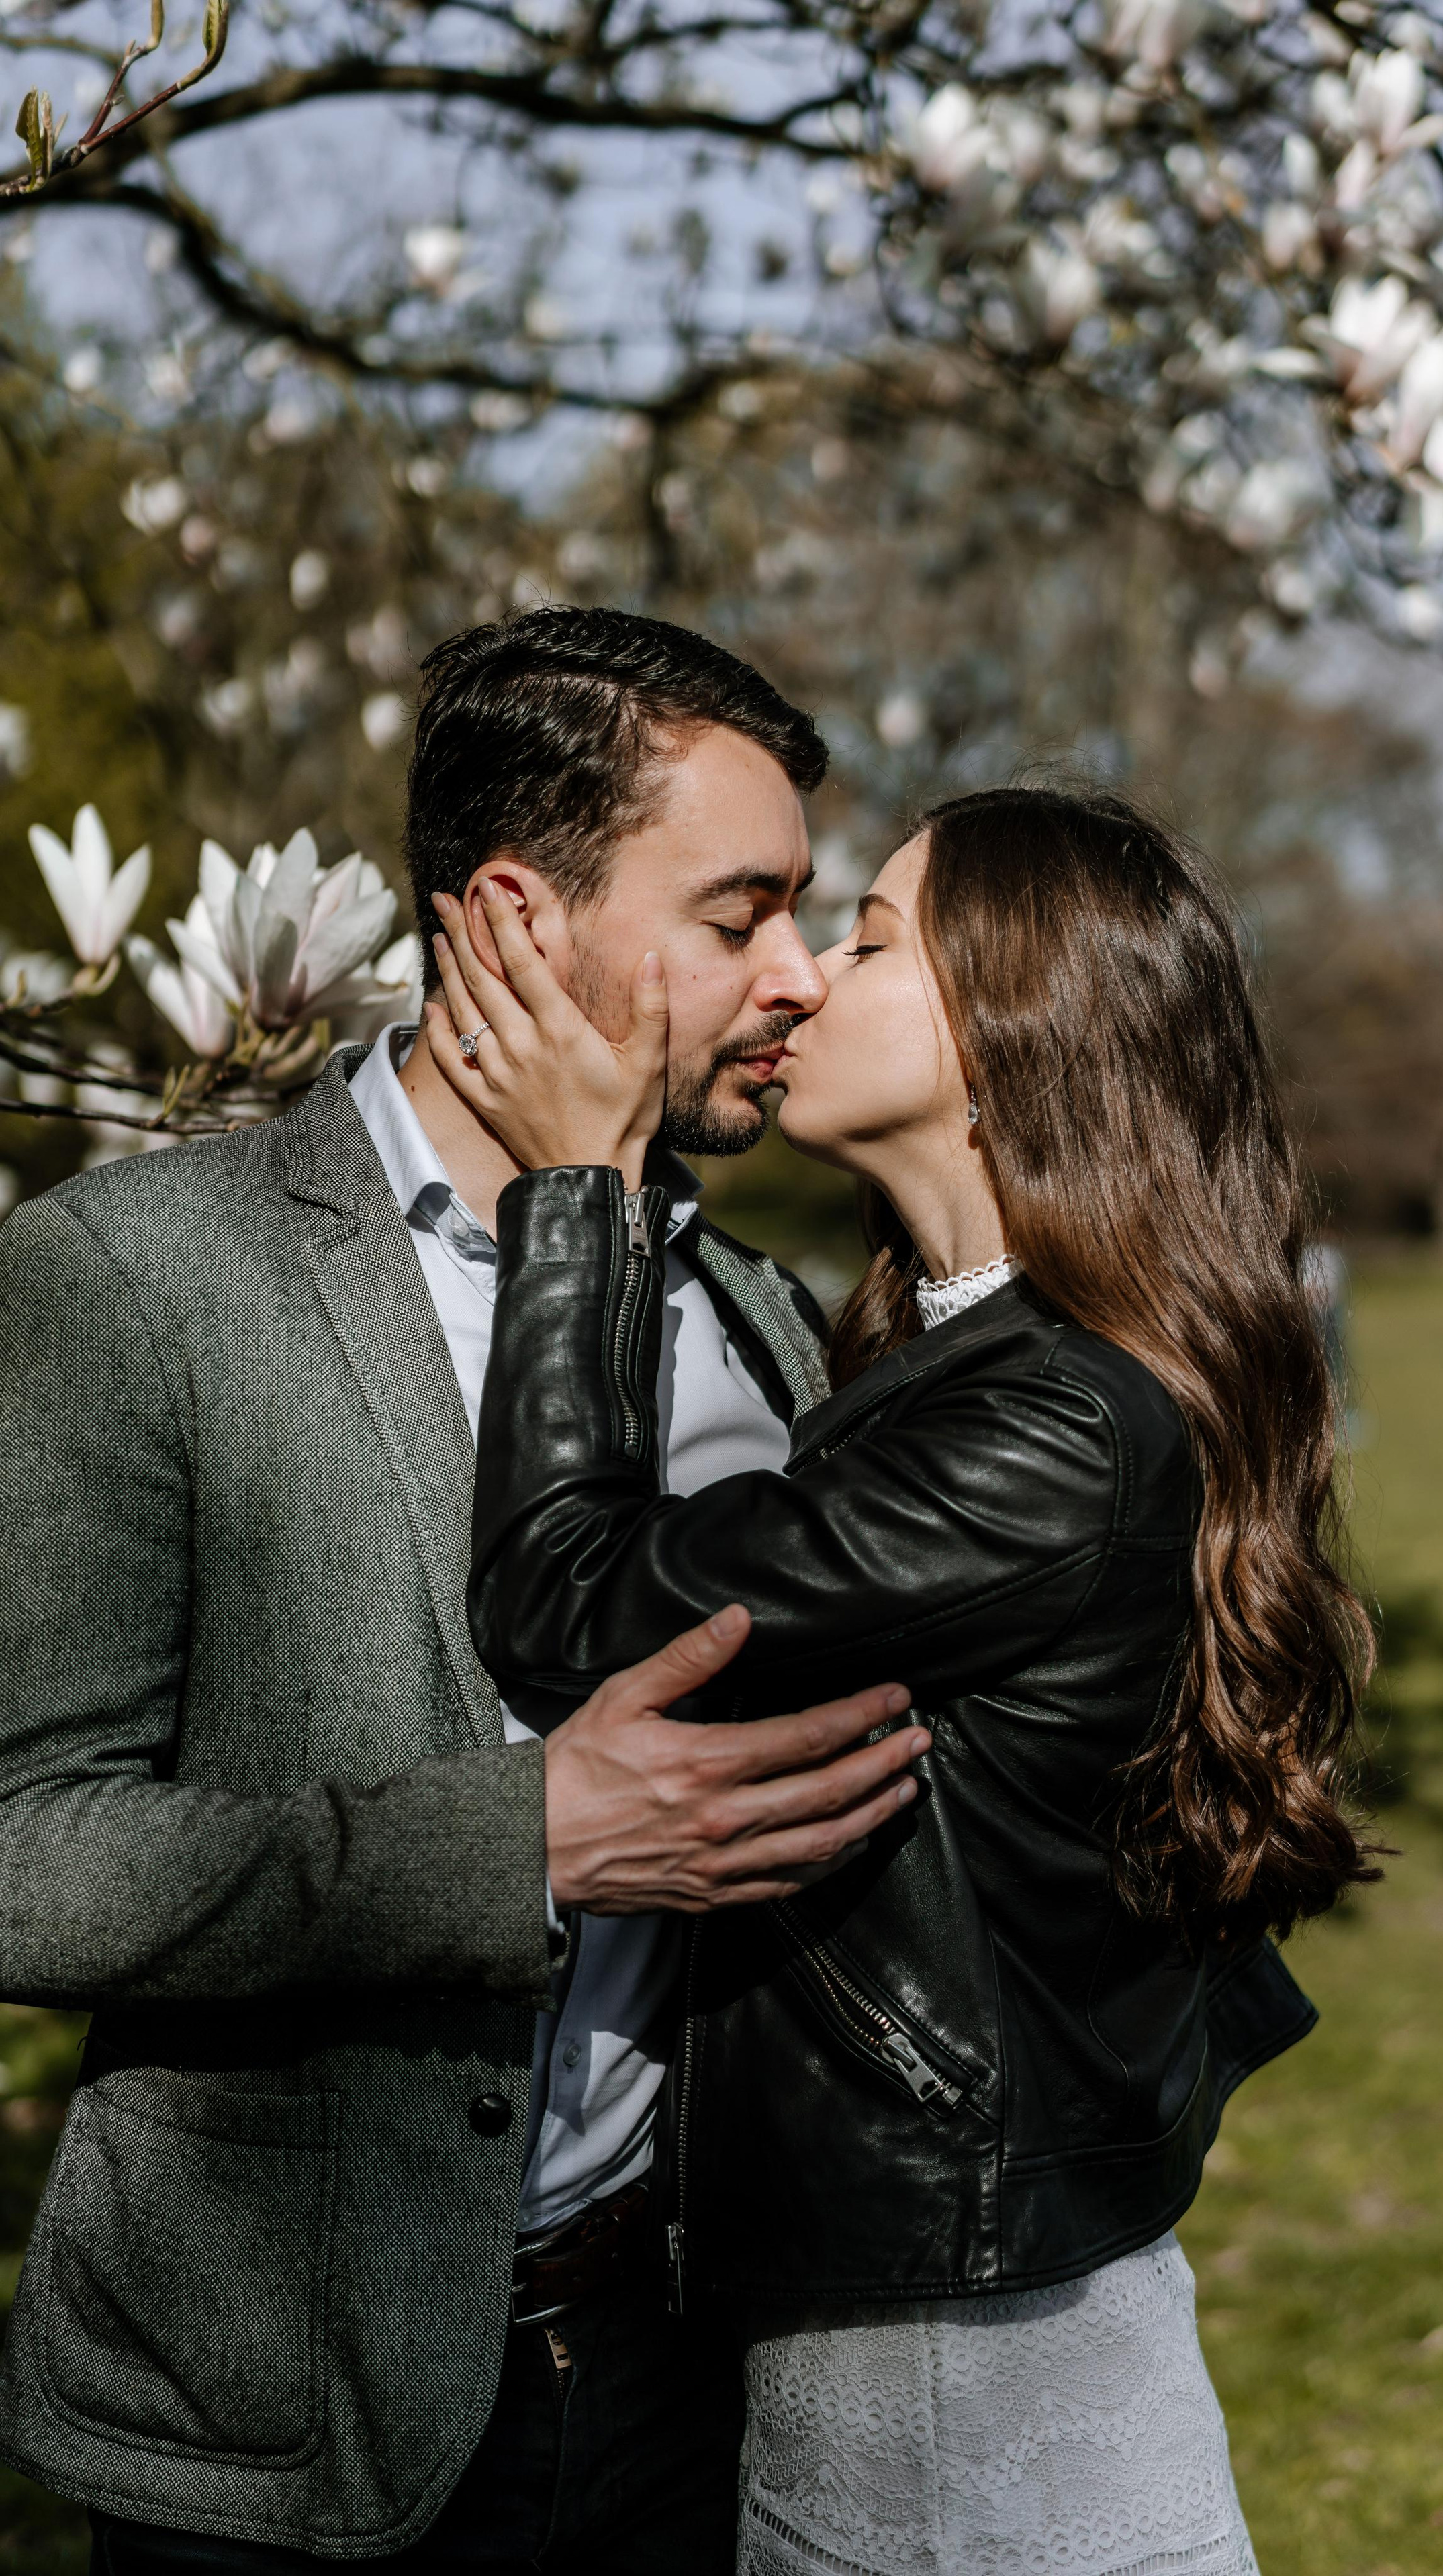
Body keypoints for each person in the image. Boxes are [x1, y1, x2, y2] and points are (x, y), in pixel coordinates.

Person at [0, 608, 931, 2573]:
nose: (794, 977)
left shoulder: (760, 1317)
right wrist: (525, 1844)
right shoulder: (140, 1277)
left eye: (801, 915)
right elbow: (24, 1856)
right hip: (277, 2423)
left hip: (690, 2382)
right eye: (740, 914)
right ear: (515, 917)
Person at [426, 780, 1380, 2576]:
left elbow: (571, 1600)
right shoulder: (957, 1360)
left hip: (966, 2392)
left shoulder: (1055, 1427)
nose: (796, 980)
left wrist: (576, 1192)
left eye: (867, 942)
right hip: (920, 2335)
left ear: (1013, 1031)